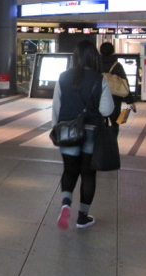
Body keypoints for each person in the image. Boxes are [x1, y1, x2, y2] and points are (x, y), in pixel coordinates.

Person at [52, 40, 114, 230]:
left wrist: (56, 129)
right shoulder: (99, 79)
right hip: (91, 132)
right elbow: (106, 110)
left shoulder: (63, 77)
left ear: (75, 57)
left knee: (69, 170)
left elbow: (56, 107)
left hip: (67, 131)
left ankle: (65, 204)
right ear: (93, 57)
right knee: (88, 174)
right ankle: (82, 217)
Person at [99, 42, 136, 131]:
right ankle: (113, 137)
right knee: (115, 122)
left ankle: (101, 138)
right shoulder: (117, 65)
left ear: (100, 51)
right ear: (113, 52)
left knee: (99, 122)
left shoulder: (96, 64)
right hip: (115, 98)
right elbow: (124, 83)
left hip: (99, 97)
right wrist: (130, 101)